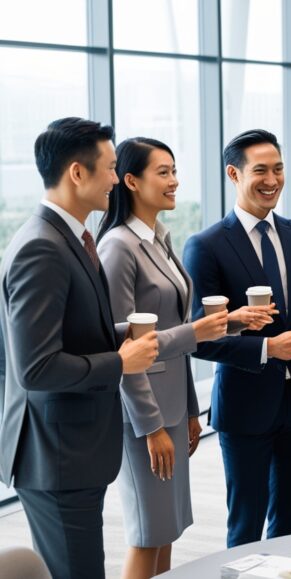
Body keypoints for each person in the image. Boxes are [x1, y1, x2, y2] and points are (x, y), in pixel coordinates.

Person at [96, 137, 268, 578]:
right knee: (147, 533)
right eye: (163, 172)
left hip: (173, 405)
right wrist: (152, 426)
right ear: (130, 181)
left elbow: (179, 332)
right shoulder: (118, 247)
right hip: (145, 414)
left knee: (168, 529)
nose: (175, 181)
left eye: (175, 170)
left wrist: (192, 407)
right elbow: (125, 348)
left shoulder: (159, 240)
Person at [0, 117, 159, 579]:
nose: (116, 178)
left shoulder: (68, 237)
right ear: (76, 173)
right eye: (110, 168)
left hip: (69, 452)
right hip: (55, 457)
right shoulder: (42, 247)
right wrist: (120, 361)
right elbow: (35, 367)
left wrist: (118, 336)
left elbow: (65, 333)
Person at [183, 129, 291, 547]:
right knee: (245, 526)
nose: (273, 180)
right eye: (261, 171)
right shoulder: (206, 245)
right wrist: (270, 347)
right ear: (234, 173)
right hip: (246, 406)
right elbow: (202, 339)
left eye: (279, 169)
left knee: (288, 525)